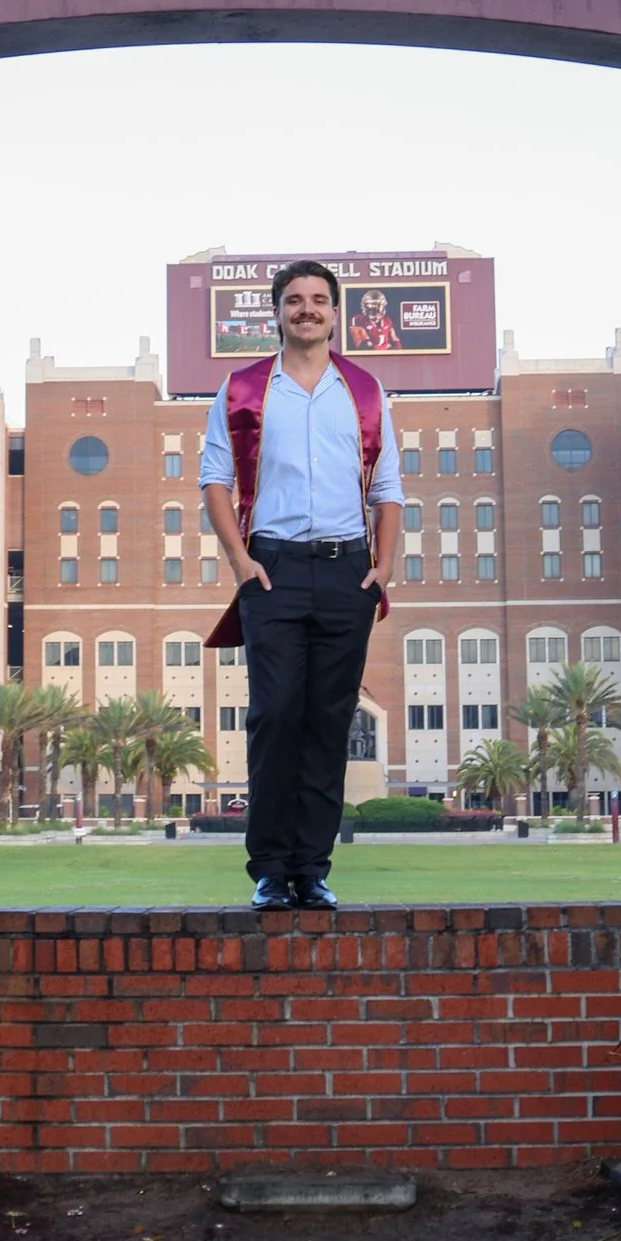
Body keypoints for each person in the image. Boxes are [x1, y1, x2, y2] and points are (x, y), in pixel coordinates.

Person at [200, 257, 403, 908]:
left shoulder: (365, 392)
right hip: (273, 571)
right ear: (278, 313)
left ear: (335, 313)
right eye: (294, 300)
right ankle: (270, 870)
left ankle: (312, 870)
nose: (307, 309)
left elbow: (388, 489)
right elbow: (215, 481)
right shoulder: (242, 390)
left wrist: (383, 567)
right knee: (275, 716)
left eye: (318, 299)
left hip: (348, 573)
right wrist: (241, 562)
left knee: (328, 722)